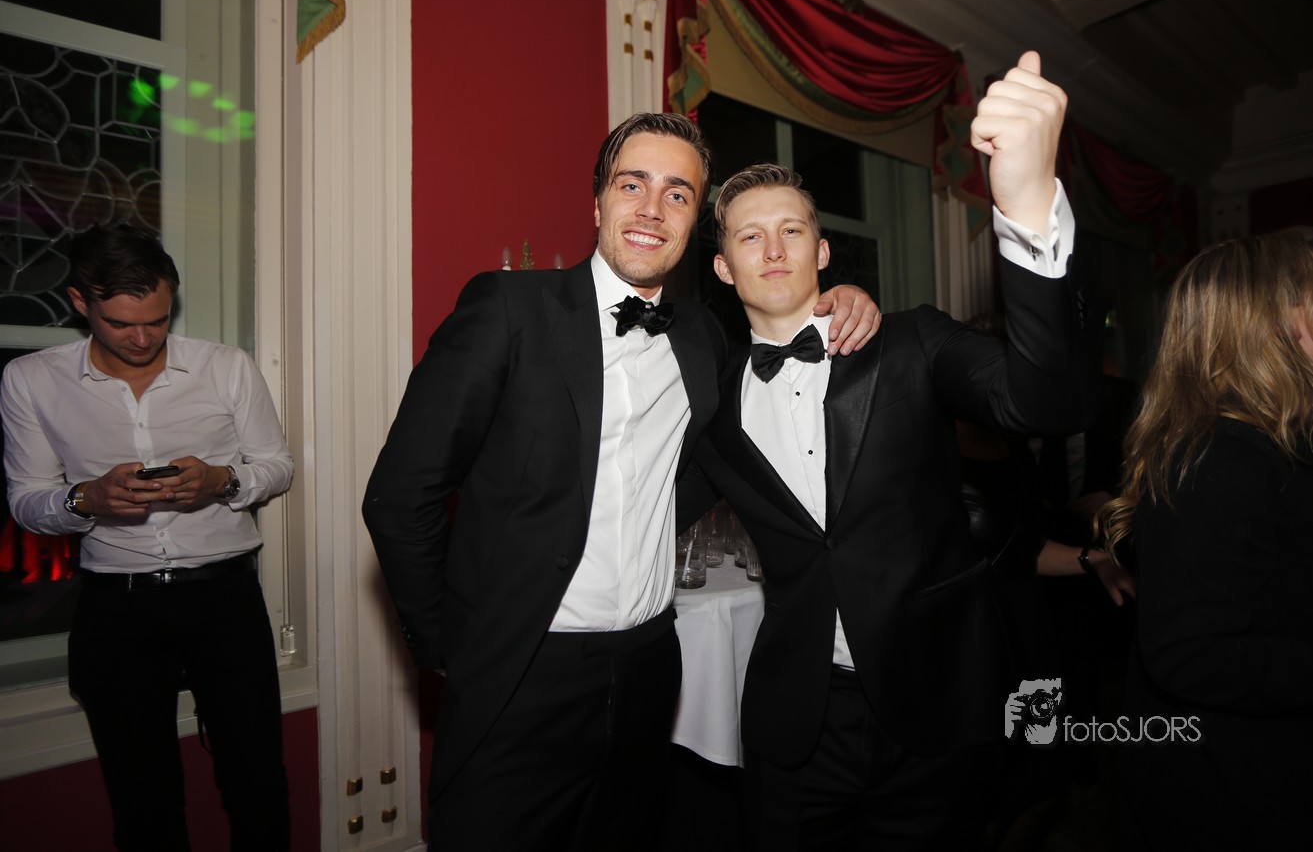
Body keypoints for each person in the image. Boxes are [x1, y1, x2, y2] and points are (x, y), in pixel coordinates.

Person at [361, 112, 879, 850]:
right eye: (632, 185)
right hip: (519, 673)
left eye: (677, 194)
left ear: (694, 222)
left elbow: (724, 445)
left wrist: (842, 300)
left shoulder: (701, 337)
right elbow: (400, 494)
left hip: (647, 667)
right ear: (597, 203)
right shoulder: (509, 310)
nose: (651, 209)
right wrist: (451, 644)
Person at [677, 52, 1103, 848]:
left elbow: (1047, 402)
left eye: (792, 230)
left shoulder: (913, 343)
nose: (773, 249)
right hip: (797, 724)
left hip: (935, 709)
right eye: (749, 236)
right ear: (723, 267)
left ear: (822, 251)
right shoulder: (709, 403)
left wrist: (1025, 209)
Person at [0, 224, 295, 851]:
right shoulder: (31, 379)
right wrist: (86, 499)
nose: (142, 338)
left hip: (225, 601)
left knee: (257, 783)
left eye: (157, 321)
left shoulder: (225, 367)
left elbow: (276, 467)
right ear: (80, 303)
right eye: (120, 323)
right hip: (117, 608)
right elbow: (27, 501)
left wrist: (222, 480)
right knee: (142, 800)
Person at [1096, 226, 1313, 849]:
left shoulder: (1274, 443)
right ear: (1270, 325)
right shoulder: (1223, 459)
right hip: (1231, 787)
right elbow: (1191, 654)